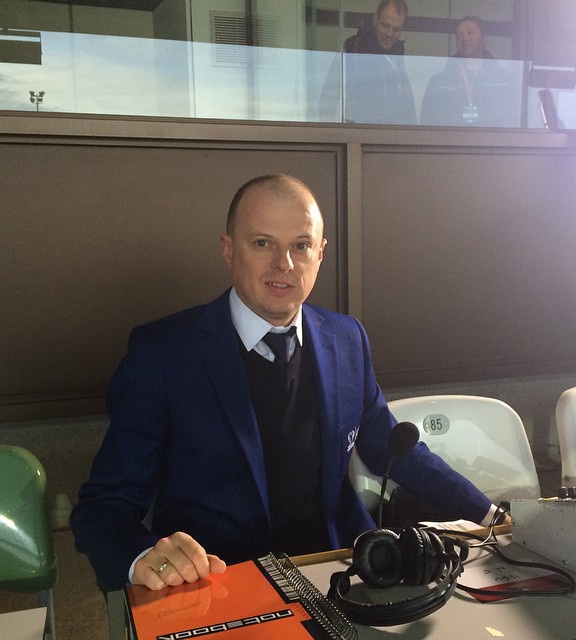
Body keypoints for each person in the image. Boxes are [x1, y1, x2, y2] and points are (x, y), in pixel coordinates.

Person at [71, 173, 502, 593]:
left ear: (320, 253)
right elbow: (104, 506)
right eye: (263, 243)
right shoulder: (163, 353)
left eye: (301, 245)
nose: (285, 264)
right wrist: (141, 557)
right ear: (228, 249)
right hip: (218, 584)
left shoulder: (346, 338)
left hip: (338, 570)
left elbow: (395, 450)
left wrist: (492, 517)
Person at [319, 0, 416, 125]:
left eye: (396, 29)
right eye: (385, 26)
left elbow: (408, 110)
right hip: (357, 135)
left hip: (392, 135)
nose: (390, 34)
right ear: (375, 19)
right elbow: (327, 103)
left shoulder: (397, 56)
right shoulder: (353, 49)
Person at [420, 16, 519, 127]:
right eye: (459, 35)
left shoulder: (504, 81)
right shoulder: (439, 82)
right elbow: (426, 125)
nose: (464, 38)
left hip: (490, 138)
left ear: (484, 39)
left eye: (470, 33)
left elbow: (515, 122)